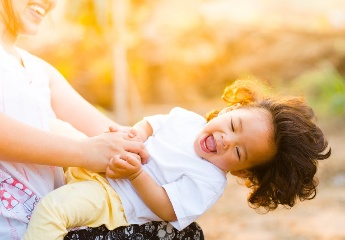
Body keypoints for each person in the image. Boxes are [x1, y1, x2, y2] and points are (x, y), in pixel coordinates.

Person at [23, 79, 331, 240]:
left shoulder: (209, 181)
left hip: (111, 196)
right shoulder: (186, 119)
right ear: (228, 110)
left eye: (239, 152)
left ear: (243, 169)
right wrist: (135, 136)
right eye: (234, 125)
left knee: (55, 209)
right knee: (49, 129)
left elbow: (166, 208)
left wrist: (136, 175)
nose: (227, 140)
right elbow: (150, 125)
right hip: (102, 159)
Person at [1, 1, 204, 239]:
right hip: (10, 226)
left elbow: (111, 133)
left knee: (185, 233)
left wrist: (189, 160)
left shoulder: (38, 69)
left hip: (55, 225)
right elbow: (92, 149)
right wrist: (85, 152)